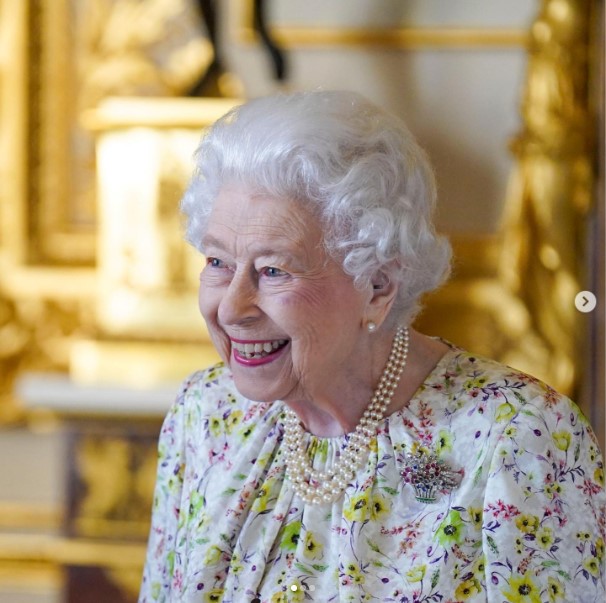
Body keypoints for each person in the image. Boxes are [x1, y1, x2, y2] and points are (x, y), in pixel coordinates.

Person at [139, 90, 605, 603]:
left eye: (273, 270)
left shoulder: (518, 439)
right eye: (218, 263)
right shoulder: (204, 417)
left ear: (378, 287)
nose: (230, 308)